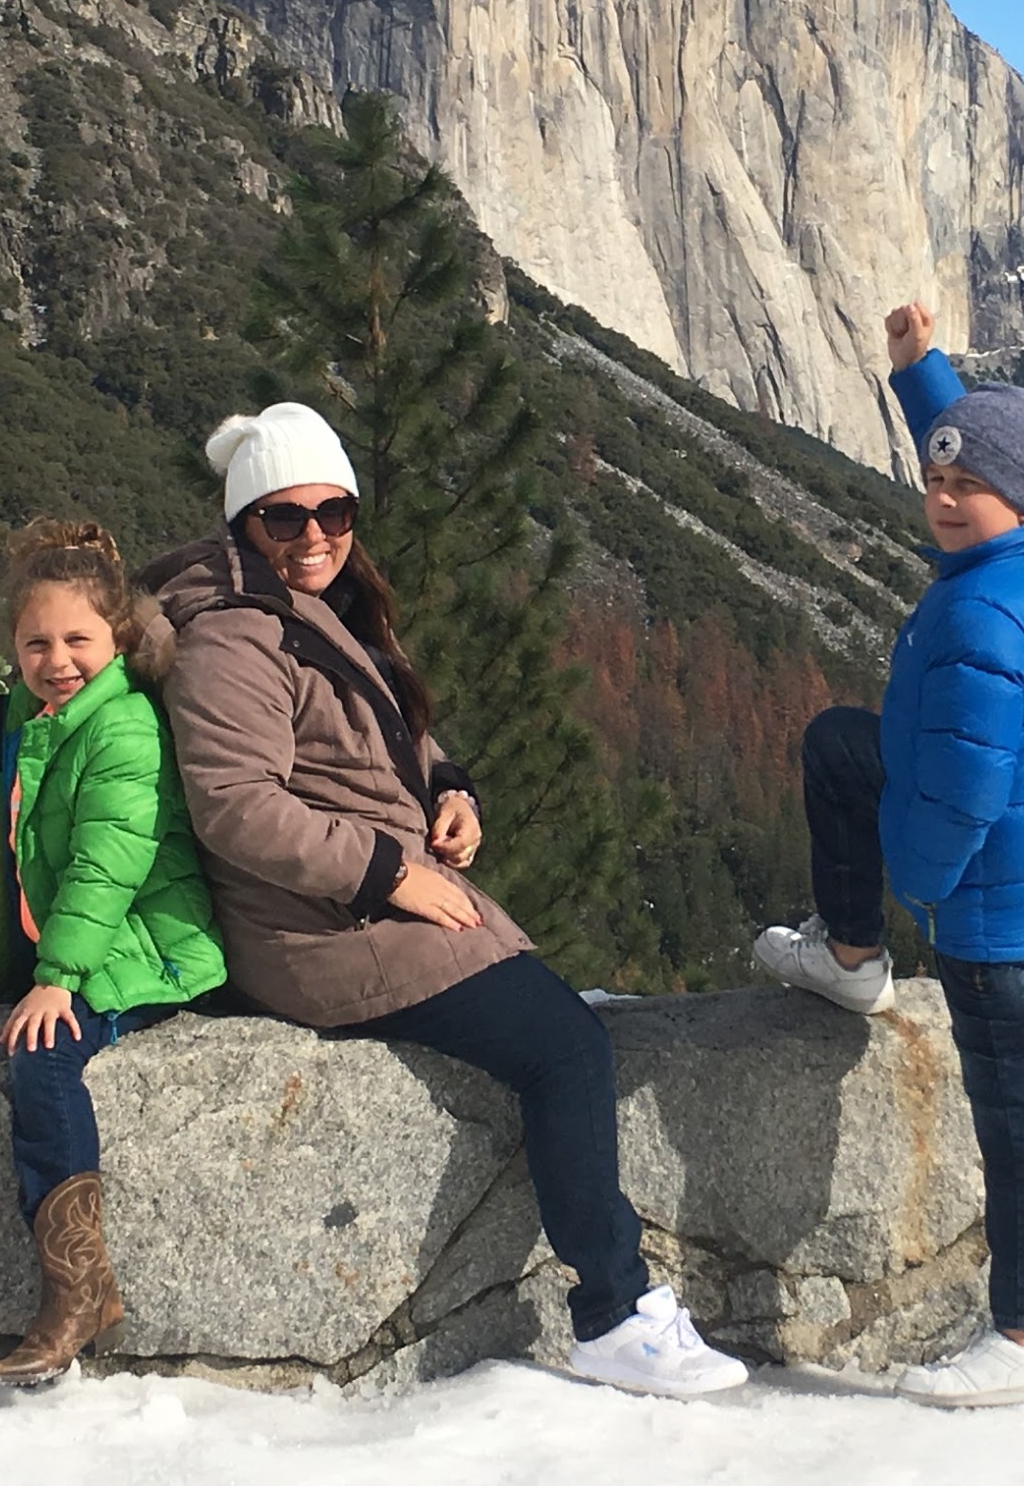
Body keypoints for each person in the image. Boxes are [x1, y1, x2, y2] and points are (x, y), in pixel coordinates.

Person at [142, 403, 744, 1398]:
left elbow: (389, 738)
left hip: (353, 902)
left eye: (334, 512)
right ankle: (612, 1314)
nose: (313, 535)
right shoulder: (233, 635)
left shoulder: (320, 606)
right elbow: (238, 809)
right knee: (566, 1048)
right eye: (284, 517)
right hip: (316, 929)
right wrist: (392, 873)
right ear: (243, 522)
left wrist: (450, 790)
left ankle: (617, 1307)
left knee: (558, 1029)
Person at [752, 302, 1024, 1408]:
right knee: (838, 744)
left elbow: (962, 792)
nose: (944, 499)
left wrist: (925, 894)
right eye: (934, 481)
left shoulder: (982, 621)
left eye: (965, 488)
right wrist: (919, 373)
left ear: (1017, 499)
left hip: (985, 888)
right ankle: (851, 959)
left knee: (1011, 1107)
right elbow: (984, 448)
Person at [0, 520, 228, 1388]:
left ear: (117, 638)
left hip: (150, 949)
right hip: (98, 943)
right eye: (36, 643)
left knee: (43, 1057)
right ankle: (89, 1291)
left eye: (77, 640)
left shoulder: (123, 727)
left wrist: (57, 980)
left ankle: (77, 1290)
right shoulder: (42, 721)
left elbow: (104, 865)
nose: (57, 660)